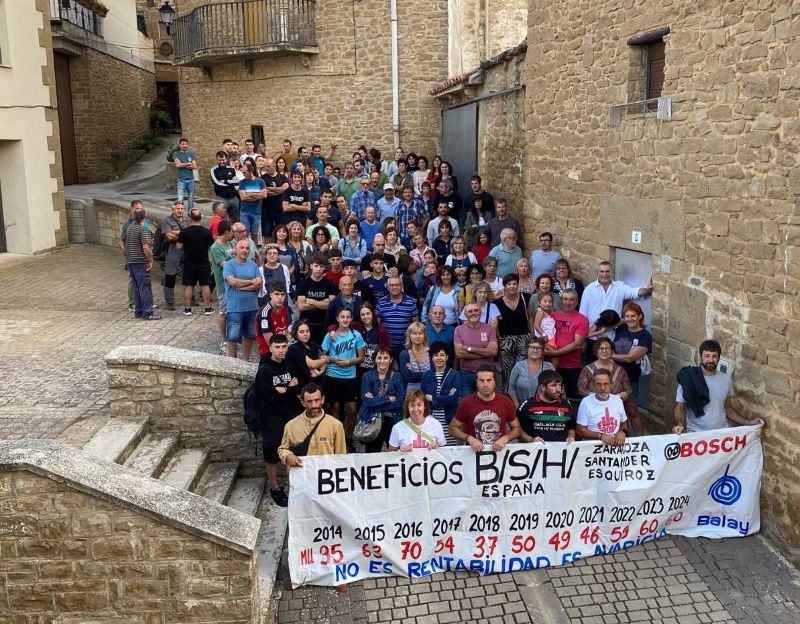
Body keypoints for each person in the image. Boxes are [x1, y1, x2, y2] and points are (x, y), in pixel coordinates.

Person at [673, 340, 765, 434]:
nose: (711, 360)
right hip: (696, 433)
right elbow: (680, 407)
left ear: (719, 357)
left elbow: (727, 408)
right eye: (707, 356)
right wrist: (679, 424)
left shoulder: (726, 380)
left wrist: (748, 422)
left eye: (714, 356)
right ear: (701, 356)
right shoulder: (688, 378)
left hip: (721, 434)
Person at [254, 334, 303, 507]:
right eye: (277, 347)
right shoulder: (265, 370)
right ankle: (275, 488)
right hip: (271, 416)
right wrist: (288, 389)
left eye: (284, 346)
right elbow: (270, 396)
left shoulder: (289, 365)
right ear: (270, 348)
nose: (281, 350)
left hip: (290, 415)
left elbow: (297, 387)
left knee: (293, 449)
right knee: (272, 453)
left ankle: (295, 484)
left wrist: (284, 390)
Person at [579, 260, 653, 360]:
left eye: (607, 271)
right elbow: (582, 316)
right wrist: (582, 340)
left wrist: (647, 290)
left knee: (609, 367)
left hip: (611, 337)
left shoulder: (619, 287)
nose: (604, 274)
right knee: (592, 366)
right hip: (592, 338)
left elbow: (635, 292)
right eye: (602, 271)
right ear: (598, 272)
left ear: (612, 272)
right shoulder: (589, 289)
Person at [322, 307, 366, 450]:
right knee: (335, 408)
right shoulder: (331, 335)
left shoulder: (356, 335)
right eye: (342, 317)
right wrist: (334, 360)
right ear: (337, 319)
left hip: (350, 376)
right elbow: (323, 355)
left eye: (348, 317)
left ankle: (348, 438)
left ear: (351, 319)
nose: (345, 319)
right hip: (332, 375)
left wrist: (349, 362)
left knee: (352, 410)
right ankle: (337, 439)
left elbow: (361, 358)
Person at [449, 365, 520, 451]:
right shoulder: (466, 403)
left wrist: (505, 438)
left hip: (499, 454)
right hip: (473, 454)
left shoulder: (505, 402)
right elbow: (452, 428)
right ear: (476, 382)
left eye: (489, 380)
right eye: (481, 380)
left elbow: (517, 429)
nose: (485, 384)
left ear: (495, 382)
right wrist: (469, 438)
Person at [278, 383, 346, 468]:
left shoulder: (336, 425)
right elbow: (283, 449)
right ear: (302, 402)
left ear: (322, 400)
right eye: (309, 401)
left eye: (317, 400)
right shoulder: (291, 426)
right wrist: (287, 456)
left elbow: (341, 456)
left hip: (327, 473)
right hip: (303, 473)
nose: (314, 405)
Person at [611, 302, 652, 436]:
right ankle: (621, 437)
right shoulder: (621, 327)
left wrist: (608, 355)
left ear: (640, 316)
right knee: (614, 410)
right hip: (612, 377)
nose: (630, 319)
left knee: (632, 410)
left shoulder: (645, 336)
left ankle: (641, 439)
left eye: (633, 316)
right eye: (627, 316)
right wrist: (624, 320)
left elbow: (630, 358)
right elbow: (606, 325)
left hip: (630, 378)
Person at [359, 347, 406, 453]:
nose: (382, 361)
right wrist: (388, 399)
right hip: (372, 420)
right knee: (372, 455)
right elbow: (367, 402)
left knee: (394, 454)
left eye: (385, 358)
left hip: (392, 420)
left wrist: (375, 400)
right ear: (374, 360)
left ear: (391, 360)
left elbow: (399, 402)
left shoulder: (397, 377)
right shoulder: (367, 376)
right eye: (379, 358)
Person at [547, 289, 589, 402]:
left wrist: (554, 353)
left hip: (571, 366)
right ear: (561, 300)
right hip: (550, 365)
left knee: (572, 399)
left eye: (571, 300)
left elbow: (577, 344)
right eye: (565, 299)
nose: (568, 302)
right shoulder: (551, 316)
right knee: (551, 398)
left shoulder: (582, 319)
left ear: (576, 302)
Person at [224, 239, 262, 360]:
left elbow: (259, 284)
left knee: (249, 335)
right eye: (242, 247)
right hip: (235, 308)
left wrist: (242, 287)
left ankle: (245, 360)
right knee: (232, 337)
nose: (245, 250)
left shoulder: (253, 265)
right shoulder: (229, 265)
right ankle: (230, 362)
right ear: (235, 250)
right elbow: (233, 282)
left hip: (252, 307)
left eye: (247, 248)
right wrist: (251, 281)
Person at [121, 207, 160, 321]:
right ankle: (148, 313)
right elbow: (145, 247)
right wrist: (150, 259)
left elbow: (122, 242)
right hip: (140, 262)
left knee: (137, 287)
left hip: (131, 261)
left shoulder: (129, 228)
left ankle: (139, 311)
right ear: (145, 217)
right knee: (145, 288)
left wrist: (128, 254)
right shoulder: (143, 229)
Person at [517, 370, 575, 443]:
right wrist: (530, 439)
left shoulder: (567, 405)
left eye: (560, 385)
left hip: (560, 449)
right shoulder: (527, 405)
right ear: (543, 387)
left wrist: (571, 437)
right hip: (535, 449)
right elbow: (516, 429)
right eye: (553, 385)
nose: (558, 389)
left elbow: (571, 427)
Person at [454, 302, 498, 396]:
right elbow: (459, 353)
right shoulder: (459, 330)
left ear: (480, 312)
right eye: (470, 311)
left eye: (476, 310)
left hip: (487, 374)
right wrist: (484, 351)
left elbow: (493, 351)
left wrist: (468, 348)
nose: (473, 313)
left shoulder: (490, 329)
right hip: (467, 374)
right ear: (465, 314)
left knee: (487, 400)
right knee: (467, 402)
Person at [421, 341, 460, 445]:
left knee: (450, 448)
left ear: (447, 357)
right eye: (435, 355)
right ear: (431, 357)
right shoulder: (426, 375)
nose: (439, 358)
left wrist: (432, 398)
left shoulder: (454, 375)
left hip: (449, 419)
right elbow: (422, 398)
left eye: (442, 355)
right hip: (432, 419)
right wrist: (446, 397)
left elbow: (453, 400)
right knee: (434, 447)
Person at [495, 273, 530, 389]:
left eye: (514, 284)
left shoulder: (526, 297)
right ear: (505, 286)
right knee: (507, 370)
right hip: (506, 340)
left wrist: (531, 334)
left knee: (522, 369)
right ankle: (507, 394)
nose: (512, 286)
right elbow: (495, 323)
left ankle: (520, 393)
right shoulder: (497, 302)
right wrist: (499, 339)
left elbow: (530, 317)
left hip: (523, 338)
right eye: (509, 284)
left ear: (518, 285)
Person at [576, 368, 628, 446]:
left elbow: (624, 423)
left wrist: (623, 432)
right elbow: (579, 431)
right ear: (593, 385)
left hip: (614, 448)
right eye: (598, 384)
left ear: (611, 384)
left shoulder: (618, 400)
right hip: (592, 448)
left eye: (606, 384)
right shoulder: (586, 402)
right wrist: (600, 436)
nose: (603, 388)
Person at [177, 208, 214, 316]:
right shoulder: (206, 232)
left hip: (189, 262)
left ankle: (188, 309)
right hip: (203, 261)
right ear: (200, 218)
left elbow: (178, 246)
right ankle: (207, 308)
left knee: (188, 285)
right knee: (205, 285)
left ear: (190, 218)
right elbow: (211, 245)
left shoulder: (185, 232)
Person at [296, 253, 338, 344]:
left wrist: (312, 301)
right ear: (311, 266)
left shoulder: (330, 284)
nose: (318, 269)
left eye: (321, 266)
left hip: (324, 324)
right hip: (307, 324)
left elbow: (331, 306)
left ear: (324, 268)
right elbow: (301, 306)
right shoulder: (303, 284)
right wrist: (323, 302)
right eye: (316, 266)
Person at [577, 337, 633, 404]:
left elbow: (629, 390)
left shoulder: (620, 370)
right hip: (594, 405)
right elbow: (581, 389)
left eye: (608, 348)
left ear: (612, 351)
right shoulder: (587, 369)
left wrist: (621, 395)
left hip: (615, 406)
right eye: (601, 348)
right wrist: (597, 397)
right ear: (596, 351)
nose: (604, 351)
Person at [375, 276, 419, 356]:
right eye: (392, 285)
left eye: (397, 285)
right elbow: (376, 325)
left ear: (402, 286)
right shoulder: (381, 302)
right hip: (386, 346)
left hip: (406, 346)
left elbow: (416, 324)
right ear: (387, 287)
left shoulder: (411, 302)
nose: (394, 287)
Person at [508, 337, 555, 408]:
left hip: (544, 409)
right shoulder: (519, 366)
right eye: (532, 347)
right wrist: (517, 406)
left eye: (538, 348)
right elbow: (511, 388)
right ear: (527, 350)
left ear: (542, 351)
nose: (535, 350)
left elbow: (555, 388)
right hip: (523, 409)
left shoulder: (549, 366)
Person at [210, 221, 235, 351]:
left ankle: (232, 337)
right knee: (224, 313)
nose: (233, 234)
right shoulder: (215, 248)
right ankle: (223, 340)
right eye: (232, 231)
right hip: (223, 286)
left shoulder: (229, 243)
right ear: (226, 232)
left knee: (233, 312)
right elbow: (225, 265)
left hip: (233, 283)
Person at [160, 201, 188, 310]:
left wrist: (176, 232)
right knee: (170, 276)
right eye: (178, 209)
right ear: (173, 210)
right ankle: (170, 301)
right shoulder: (166, 221)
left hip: (187, 250)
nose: (180, 211)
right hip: (173, 251)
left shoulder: (187, 220)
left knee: (188, 275)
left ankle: (191, 298)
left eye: (182, 209)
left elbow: (192, 233)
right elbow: (169, 236)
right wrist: (184, 236)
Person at [287, 320, 329, 390]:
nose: (305, 334)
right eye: (301, 332)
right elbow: (312, 364)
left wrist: (320, 372)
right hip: (302, 387)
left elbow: (323, 359)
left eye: (307, 331)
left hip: (317, 383)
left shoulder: (312, 344)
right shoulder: (293, 348)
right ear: (295, 334)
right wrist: (325, 359)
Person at [256, 282, 291, 359]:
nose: (280, 297)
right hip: (268, 351)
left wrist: (293, 343)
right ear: (271, 295)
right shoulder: (265, 313)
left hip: (282, 347)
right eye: (277, 294)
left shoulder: (284, 309)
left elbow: (286, 332)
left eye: (283, 294)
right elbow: (270, 342)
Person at [238, 162, 267, 245]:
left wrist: (250, 193)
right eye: (242, 172)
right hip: (245, 211)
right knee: (245, 233)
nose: (243, 174)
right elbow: (243, 197)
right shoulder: (242, 182)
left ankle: (254, 249)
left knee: (254, 234)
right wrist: (258, 195)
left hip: (256, 212)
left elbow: (264, 195)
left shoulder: (260, 181)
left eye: (245, 172)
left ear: (251, 171)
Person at [398, 323, 430, 393]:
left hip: (429, 393)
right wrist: (429, 374)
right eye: (414, 333)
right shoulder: (404, 354)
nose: (417, 336)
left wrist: (414, 373)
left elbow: (436, 374)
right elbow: (408, 377)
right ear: (409, 336)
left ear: (425, 335)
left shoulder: (431, 352)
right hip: (410, 394)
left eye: (420, 333)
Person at [210, 152, 239, 222]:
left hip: (233, 197)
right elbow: (217, 184)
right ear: (217, 159)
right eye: (219, 160)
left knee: (235, 219)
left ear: (226, 159)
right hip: (221, 198)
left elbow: (236, 182)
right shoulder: (213, 170)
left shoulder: (231, 169)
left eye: (223, 160)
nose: (221, 162)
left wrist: (225, 181)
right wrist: (230, 182)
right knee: (220, 219)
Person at [173, 137, 197, 209]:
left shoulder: (191, 154)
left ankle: (190, 214)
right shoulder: (176, 154)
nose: (185, 145)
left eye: (186, 144)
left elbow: (194, 166)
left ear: (188, 145)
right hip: (181, 180)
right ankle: (180, 214)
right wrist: (188, 163)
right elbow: (178, 165)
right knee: (180, 200)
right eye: (183, 144)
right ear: (180, 145)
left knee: (191, 200)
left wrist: (182, 164)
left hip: (191, 180)